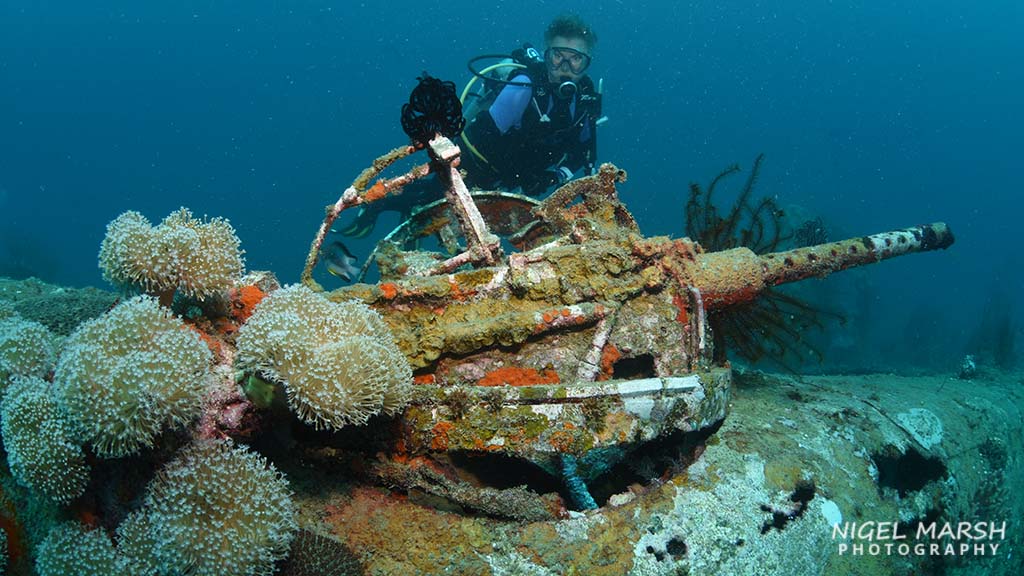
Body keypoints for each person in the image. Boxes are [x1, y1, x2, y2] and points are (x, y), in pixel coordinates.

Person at [339, 14, 601, 240]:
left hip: (518, 179)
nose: (565, 67)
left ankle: (409, 220)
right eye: (557, 57)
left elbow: (583, 153)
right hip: (479, 167)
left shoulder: (587, 98)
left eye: (575, 59)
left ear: (587, 62)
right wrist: (519, 176)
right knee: (428, 197)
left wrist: (556, 176)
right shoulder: (524, 87)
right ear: (546, 55)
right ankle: (376, 206)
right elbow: (481, 136)